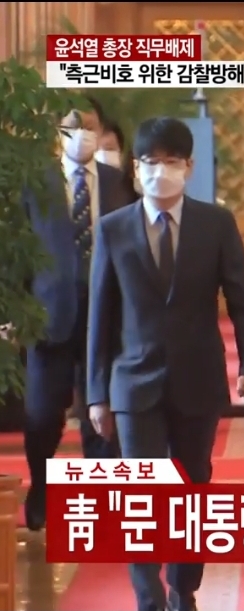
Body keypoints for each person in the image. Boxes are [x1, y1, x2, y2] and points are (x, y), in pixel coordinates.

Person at [85, 117, 244, 611]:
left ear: (189, 166)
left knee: (192, 488)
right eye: (150, 162)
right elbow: (100, 316)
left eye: (170, 161)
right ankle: (147, 597)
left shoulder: (216, 224)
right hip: (133, 382)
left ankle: (182, 590)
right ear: (135, 168)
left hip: (197, 378)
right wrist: (97, 394)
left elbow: (242, 299)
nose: (159, 171)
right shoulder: (113, 229)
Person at [21, 98, 129, 531]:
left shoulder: (118, 182)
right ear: (57, 131)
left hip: (107, 314)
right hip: (49, 313)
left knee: (100, 411)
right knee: (42, 414)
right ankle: (42, 489)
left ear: (101, 131)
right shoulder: (36, 183)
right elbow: (19, 251)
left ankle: (99, 499)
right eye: (73, 126)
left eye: (90, 126)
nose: (82, 134)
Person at [95, 117, 141, 205]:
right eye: (95, 150)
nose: (102, 154)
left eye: (109, 149)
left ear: (121, 153)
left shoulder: (132, 194)